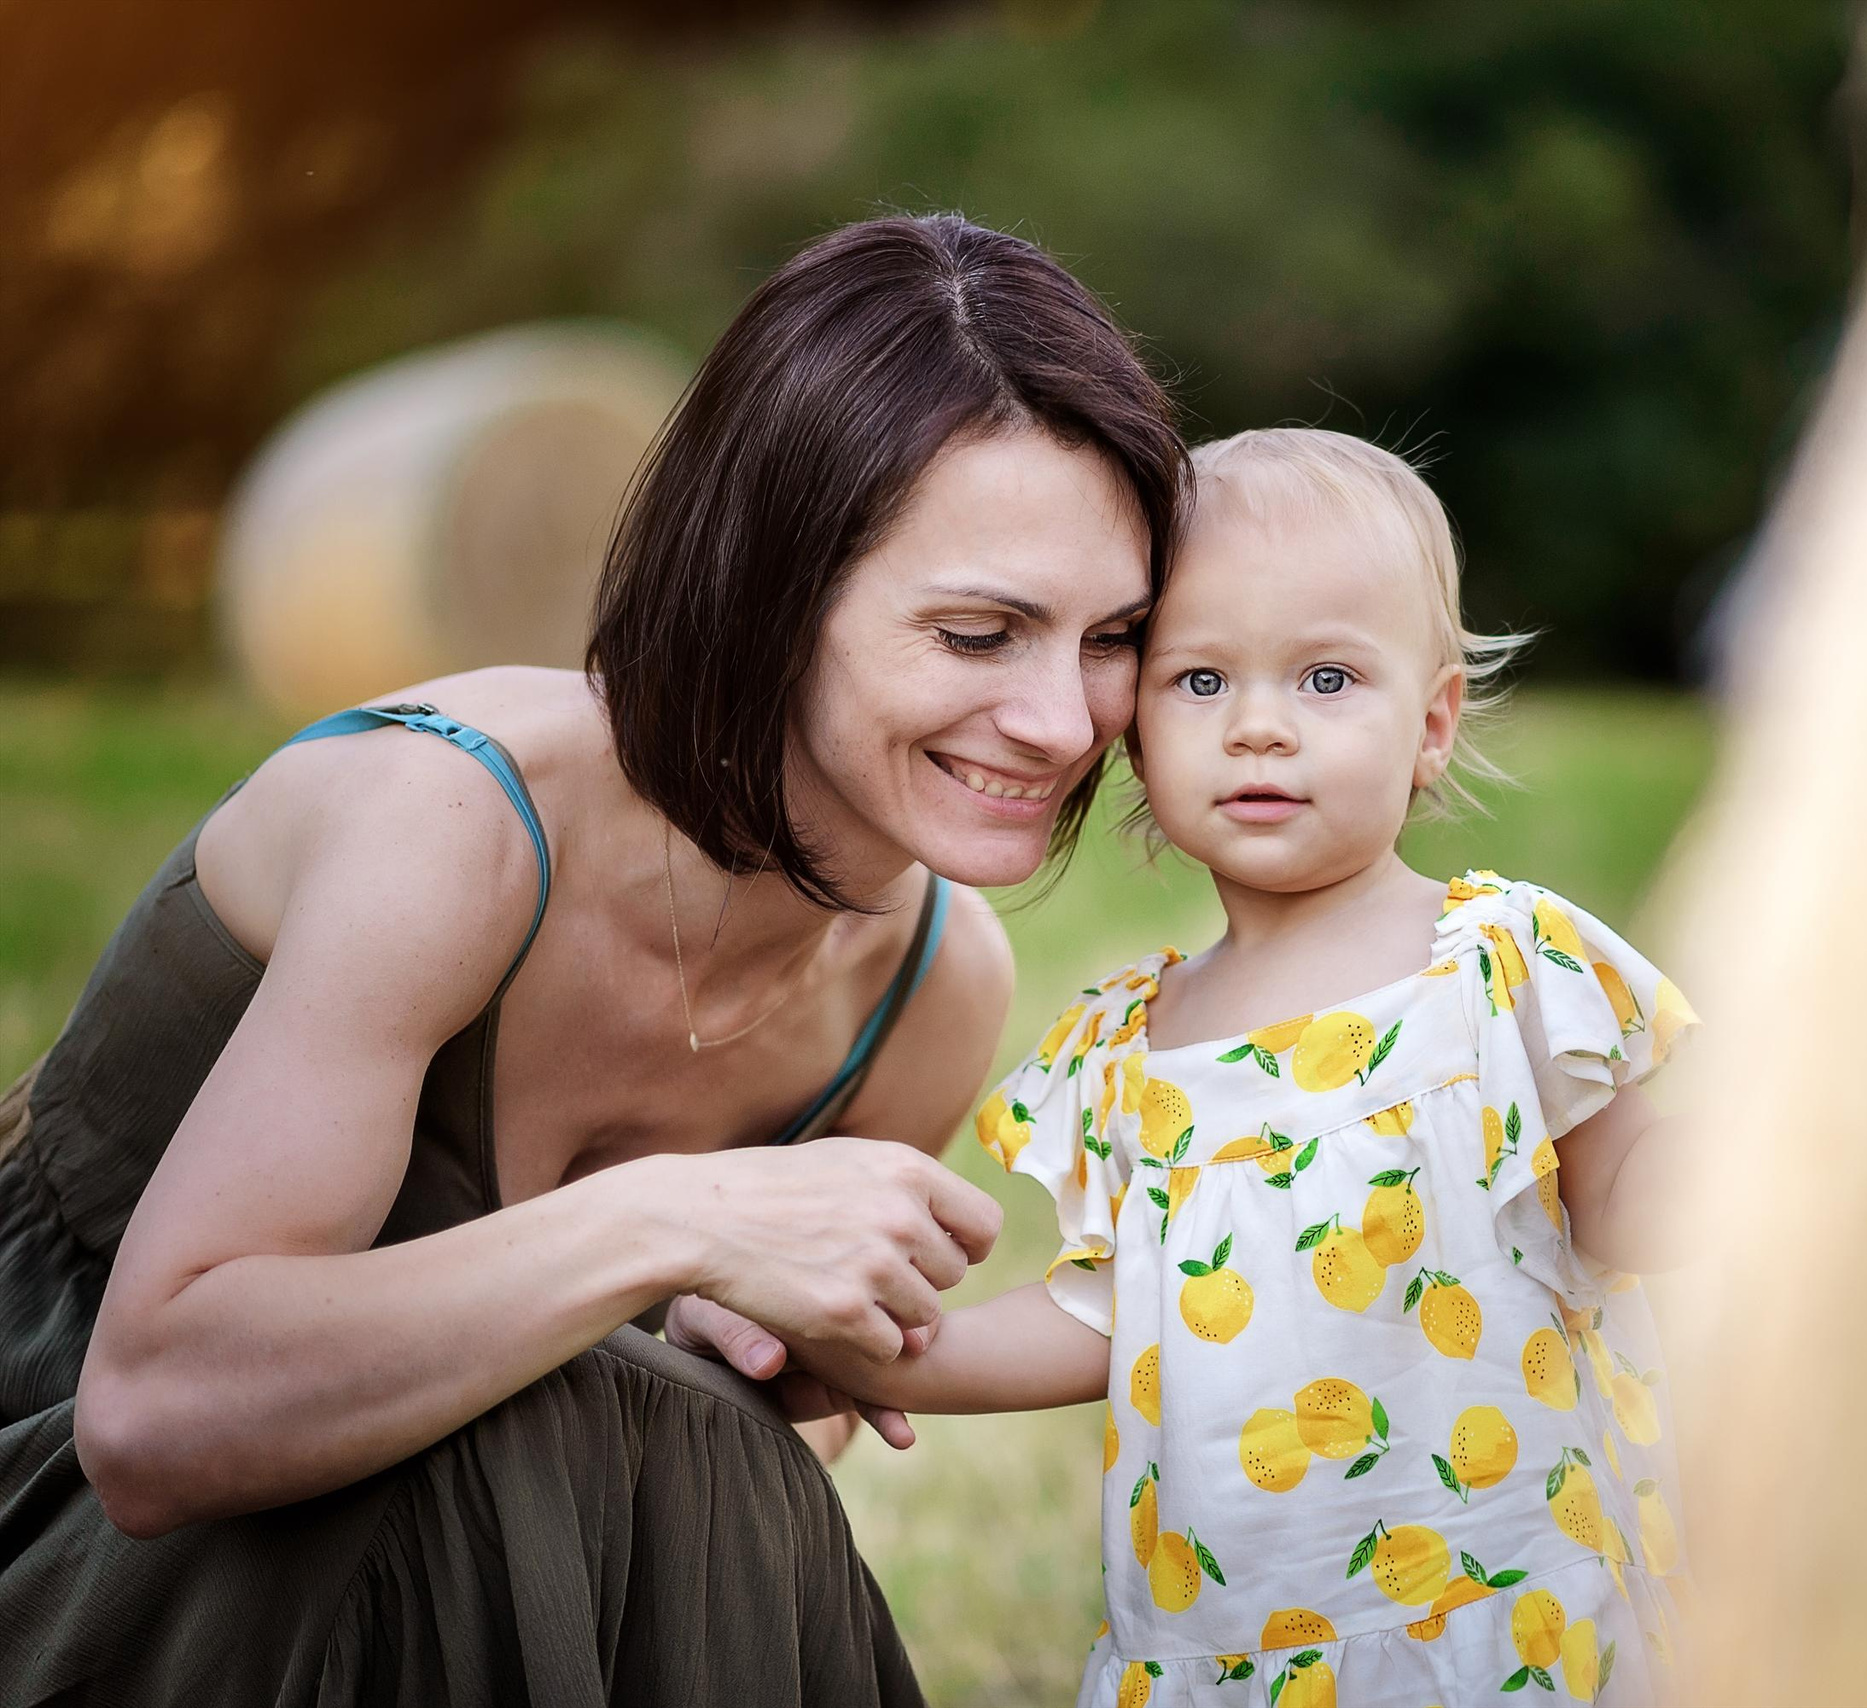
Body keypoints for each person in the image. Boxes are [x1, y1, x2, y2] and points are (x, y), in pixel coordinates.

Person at [0, 213, 1188, 1705]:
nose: (1068, 725)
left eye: (1113, 638)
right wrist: (673, 1220)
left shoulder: (930, 989)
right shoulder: (456, 822)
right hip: (87, 1529)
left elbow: (720, 1474)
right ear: (774, 585)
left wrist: (771, 1347)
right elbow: (155, 1418)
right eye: (979, 634)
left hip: (470, 1589)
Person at [825, 430, 1699, 1706]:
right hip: (1232, 1639)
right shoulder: (1129, 1052)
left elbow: (1621, 1193)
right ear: (1130, 732)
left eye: (1328, 677)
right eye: (1197, 682)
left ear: (1432, 722)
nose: (1258, 729)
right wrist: (891, 1354)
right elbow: (1105, 1314)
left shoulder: (1500, 968)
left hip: (1508, 1605)